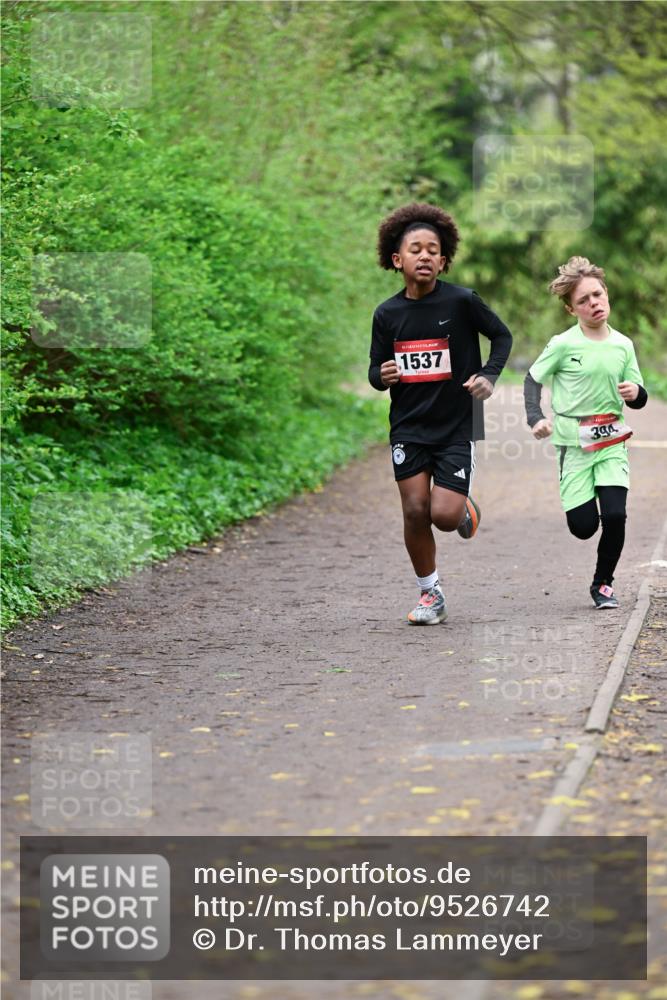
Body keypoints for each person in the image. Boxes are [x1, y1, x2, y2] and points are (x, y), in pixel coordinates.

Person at [368, 203, 513, 625]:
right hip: (409, 426)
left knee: (443, 517)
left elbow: (501, 336)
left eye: (434, 249)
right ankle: (430, 594)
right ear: (398, 260)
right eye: (416, 249)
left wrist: (488, 375)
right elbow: (375, 370)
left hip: (458, 423)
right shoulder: (387, 313)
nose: (426, 256)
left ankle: (464, 507)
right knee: (415, 511)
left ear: (444, 259)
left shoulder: (463, 301)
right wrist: (384, 374)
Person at [524, 256, 648, 609]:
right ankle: (583, 500)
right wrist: (536, 417)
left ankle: (603, 583)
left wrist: (636, 394)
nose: (593, 303)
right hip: (572, 446)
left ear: (606, 294)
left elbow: (639, 394)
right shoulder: (563, 344)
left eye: (597, 295)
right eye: (583, 300)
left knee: (614, 514)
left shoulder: (623, 345)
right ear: (571, 309)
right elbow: (532, 378)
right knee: (583, 527)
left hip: (611, 443)